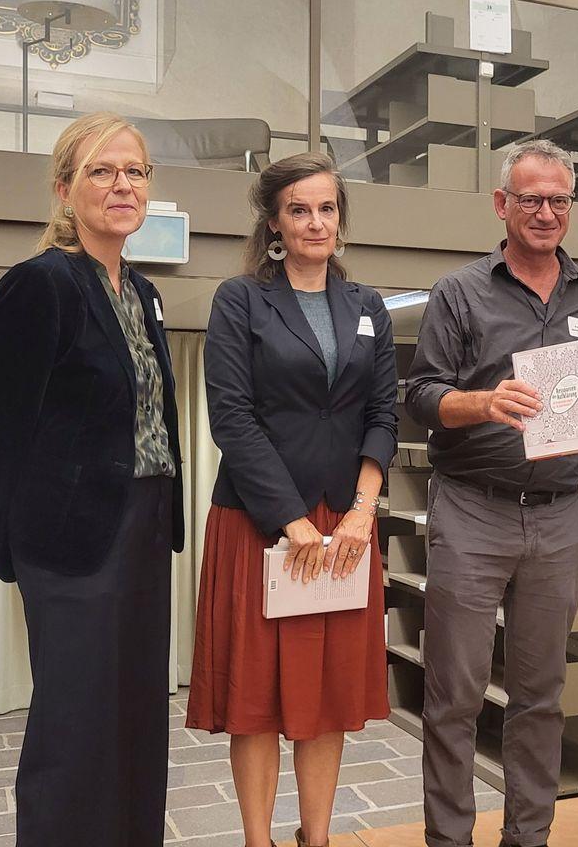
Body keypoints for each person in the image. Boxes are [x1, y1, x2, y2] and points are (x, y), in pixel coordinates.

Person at [0, 112, 184, 846]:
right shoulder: (39, 285)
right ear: (64, 188)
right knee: (75, 725)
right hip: (72, 543)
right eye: (102, 171)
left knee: (137, 716)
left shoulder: (143, 291)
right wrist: (15, 548)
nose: (123, 185)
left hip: (146, 526)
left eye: (135, 172)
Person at [185, 152, 397, 847]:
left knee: (327, 695)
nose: (315, 222)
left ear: (341, 219)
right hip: (259, 522)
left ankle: (318, 837)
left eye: (327, 208)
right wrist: (290, 519)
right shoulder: (240, 299)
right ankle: (258, 840)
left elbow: (383, 414)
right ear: (274, 223)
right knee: (255, 699)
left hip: (345, 525)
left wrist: (363, 510)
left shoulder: (367, 306)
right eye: (299, 210)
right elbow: (232, 418)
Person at [406, 139, 578, 847]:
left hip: (559, 515)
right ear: (502, 204)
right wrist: (482, 403)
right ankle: (449, 839)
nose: (545, 212)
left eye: (559, 200)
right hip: (472, 510)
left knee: (540, 696)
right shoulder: (459, 291)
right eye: (530, 199)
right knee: (455, 695)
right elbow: (421, 395)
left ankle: (529, 837)